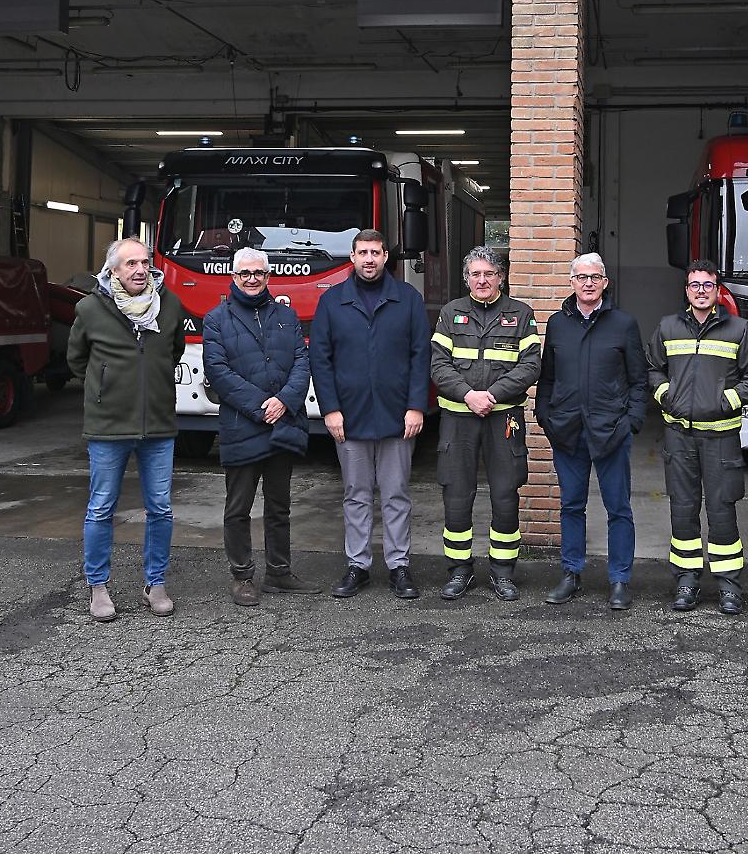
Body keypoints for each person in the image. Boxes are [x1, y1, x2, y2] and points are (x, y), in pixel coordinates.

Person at [67, 237, 187, 622]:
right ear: (113, 271)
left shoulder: (168, 305)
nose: (140, 270)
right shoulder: (89, 309)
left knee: (161, 508)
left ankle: (155, 584)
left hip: (158, 424)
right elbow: (76, 360)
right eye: (130, 263)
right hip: (108, 426)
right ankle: (98, 586)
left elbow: (175, 350)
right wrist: (105, 387)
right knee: (101, 508)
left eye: (144, 262)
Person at [309, 229, 431, 600]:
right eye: (362, 252)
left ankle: (399, 566)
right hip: (349, 417)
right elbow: (321, 359)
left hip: (398, 417)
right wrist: (330, 409)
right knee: (356, 494)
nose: (369, 259)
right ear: (352, 257)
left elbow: (419, 356)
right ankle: (357, 565)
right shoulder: (332, 302)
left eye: (376, 253)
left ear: (385, 258)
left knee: (396, 494)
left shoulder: (407, 299)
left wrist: (415, 406)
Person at [645, 259, 748, 615]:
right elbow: (652, 368)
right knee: (682, 510)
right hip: (679, 437)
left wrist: (728, 401)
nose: (700, 290)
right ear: (686, 290)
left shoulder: (739, 329)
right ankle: (686, 581)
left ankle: (729, 586)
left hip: (721, 440)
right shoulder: (669, 327)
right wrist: (665, 395)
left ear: (717, 291)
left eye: (707, 285)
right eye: (694, 284)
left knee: (722, 510)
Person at [202, 247, 315, 606]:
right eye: (244, 274)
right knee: (238, 507)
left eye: (259, 273)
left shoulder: (286, 315)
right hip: (242, 426)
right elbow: (217, 372)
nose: (252, 279)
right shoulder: (216, 319)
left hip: (282, 424)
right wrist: (260, 406)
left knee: (279, 505)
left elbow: (302, 361)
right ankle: (242, 576)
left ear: (269, 277)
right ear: (233, 277)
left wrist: (284, 401)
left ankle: (279, 572)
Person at [535, 253, 647, 611]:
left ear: (604, 283)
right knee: (571, 505)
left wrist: (631, 421)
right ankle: (571, 574)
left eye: (594, 277)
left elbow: (638, 379)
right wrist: (545, 417)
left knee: (619, 508)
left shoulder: (624, 324)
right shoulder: (557, 324)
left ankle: (619, 580)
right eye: (581, 277)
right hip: (567, 430)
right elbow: (547, 377)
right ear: (571, 282)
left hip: (611, 430)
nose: (587, 283)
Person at [429, 247, 541, 601]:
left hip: (503, 418)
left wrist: (490, 395)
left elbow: (531, 366)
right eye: (475, 274)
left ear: (501, 277)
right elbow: (438, 366)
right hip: (458, 420)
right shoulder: (450, 314)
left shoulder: (521, 315)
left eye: (489, 274)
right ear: (467, 279)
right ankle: (460, 570)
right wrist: (468, 395)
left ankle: (503, 571)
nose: (482, 280)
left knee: (506, 495)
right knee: (457, 495)